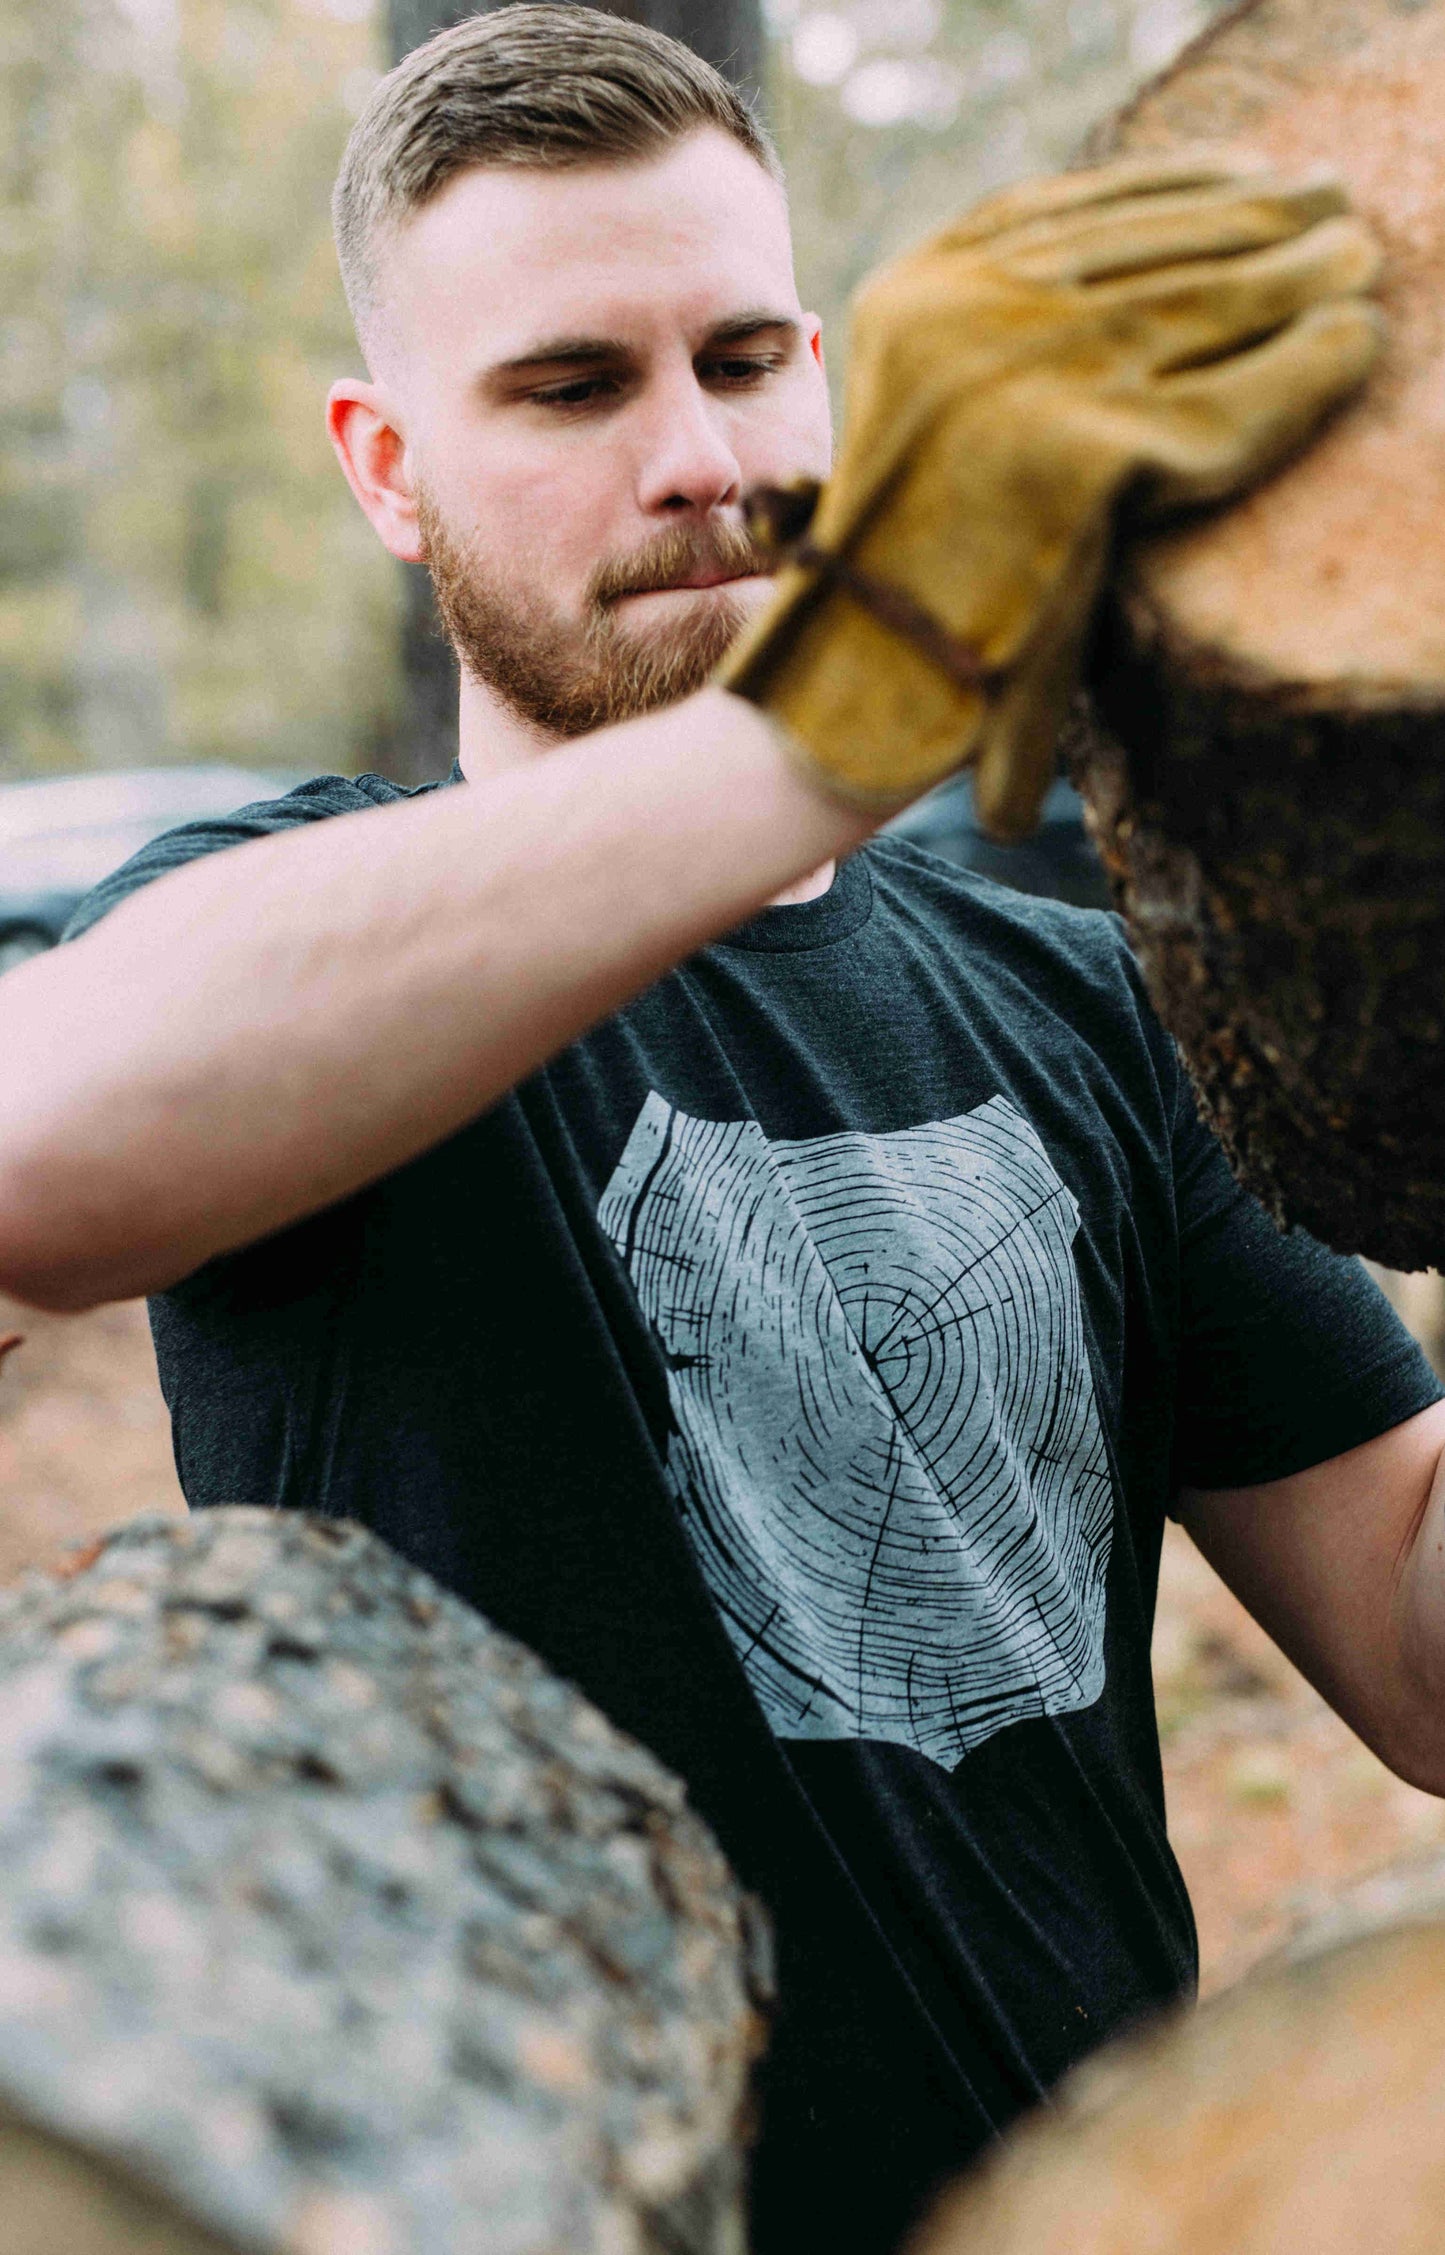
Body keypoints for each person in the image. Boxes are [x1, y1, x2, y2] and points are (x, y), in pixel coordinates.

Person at [0, 9, 1440, 2247]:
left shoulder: (1085, 996)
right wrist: (840, 716)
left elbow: (1422, 1645)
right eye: (573, 388)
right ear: (386, 466)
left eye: (751, 359)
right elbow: (39, 1138)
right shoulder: (295, 938)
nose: (699, 456)